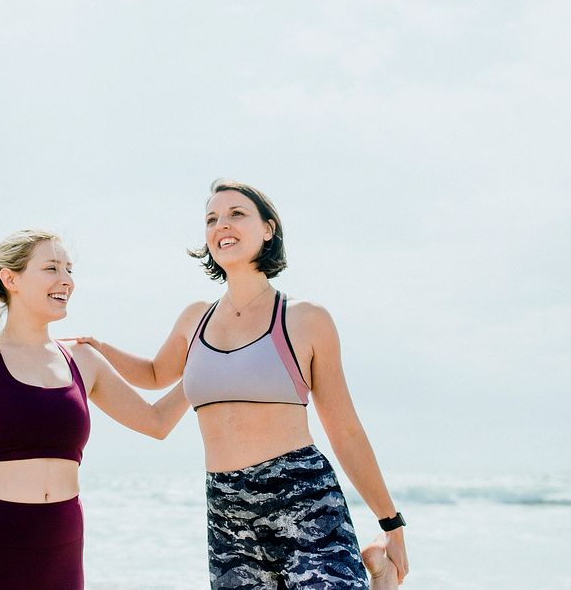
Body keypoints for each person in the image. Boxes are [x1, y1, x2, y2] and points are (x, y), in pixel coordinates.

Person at [70, 179, 409, 589]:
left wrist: (391, 522)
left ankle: (383, 576)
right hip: (227, 507)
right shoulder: (195, 318)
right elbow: (156, 374)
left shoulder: (305, 319)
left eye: (236, 214)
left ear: (268, 229)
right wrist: (97, 348)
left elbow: (345, 429)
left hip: (301, 496)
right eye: (211, 219)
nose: (221, 225)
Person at [0, 229, 189, 590]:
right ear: (10, 279)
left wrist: (207, 370)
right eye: (51, 268)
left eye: (69, 270)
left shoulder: (83, 359)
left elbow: (156, 422)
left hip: (61, 539)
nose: (66, 281)